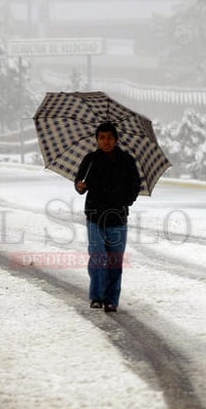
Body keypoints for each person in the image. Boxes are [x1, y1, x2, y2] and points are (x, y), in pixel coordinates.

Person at [74, 121, 141, 313]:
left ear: (116, 139)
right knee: (97, 257)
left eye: (110, 137)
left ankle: (111, 300)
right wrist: (79, 186)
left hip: (118, 218)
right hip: (94, 216)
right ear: (97, 139)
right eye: (102, 138)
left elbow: (135, 185)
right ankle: (97, 296)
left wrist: (126, 201)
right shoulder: (90, 160)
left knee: (114, 261)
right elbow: (79, 182)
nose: (106, 141)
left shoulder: (127, 160)